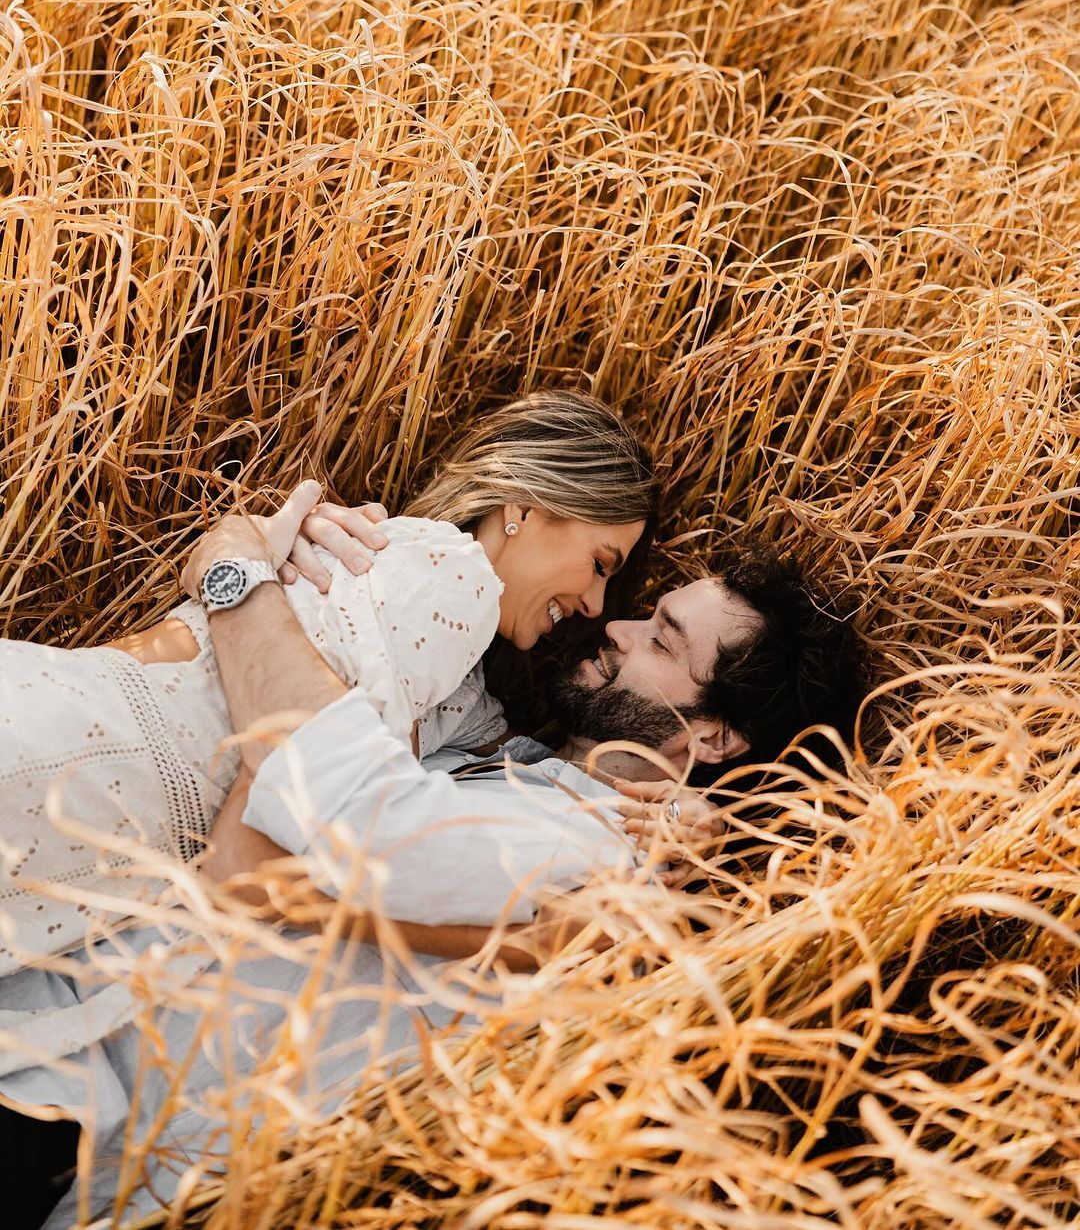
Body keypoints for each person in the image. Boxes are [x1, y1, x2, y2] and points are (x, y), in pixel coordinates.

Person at [0, 491, 864, 1229]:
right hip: (40, 1006)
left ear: (711, 735)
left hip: (75, 1108)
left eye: (664, 641)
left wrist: (235, 569)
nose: (618, 623)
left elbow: (329, 811)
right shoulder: (495, 752)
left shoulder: (596, 854)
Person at [0, 391, 657, 976]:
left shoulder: (458, 683)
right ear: (527, 505)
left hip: (82, 816)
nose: (598, 604)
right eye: (601, 564)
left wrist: (679, 816)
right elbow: (267, 837)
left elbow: (516, 764)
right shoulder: (456, 578)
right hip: (68, 762)